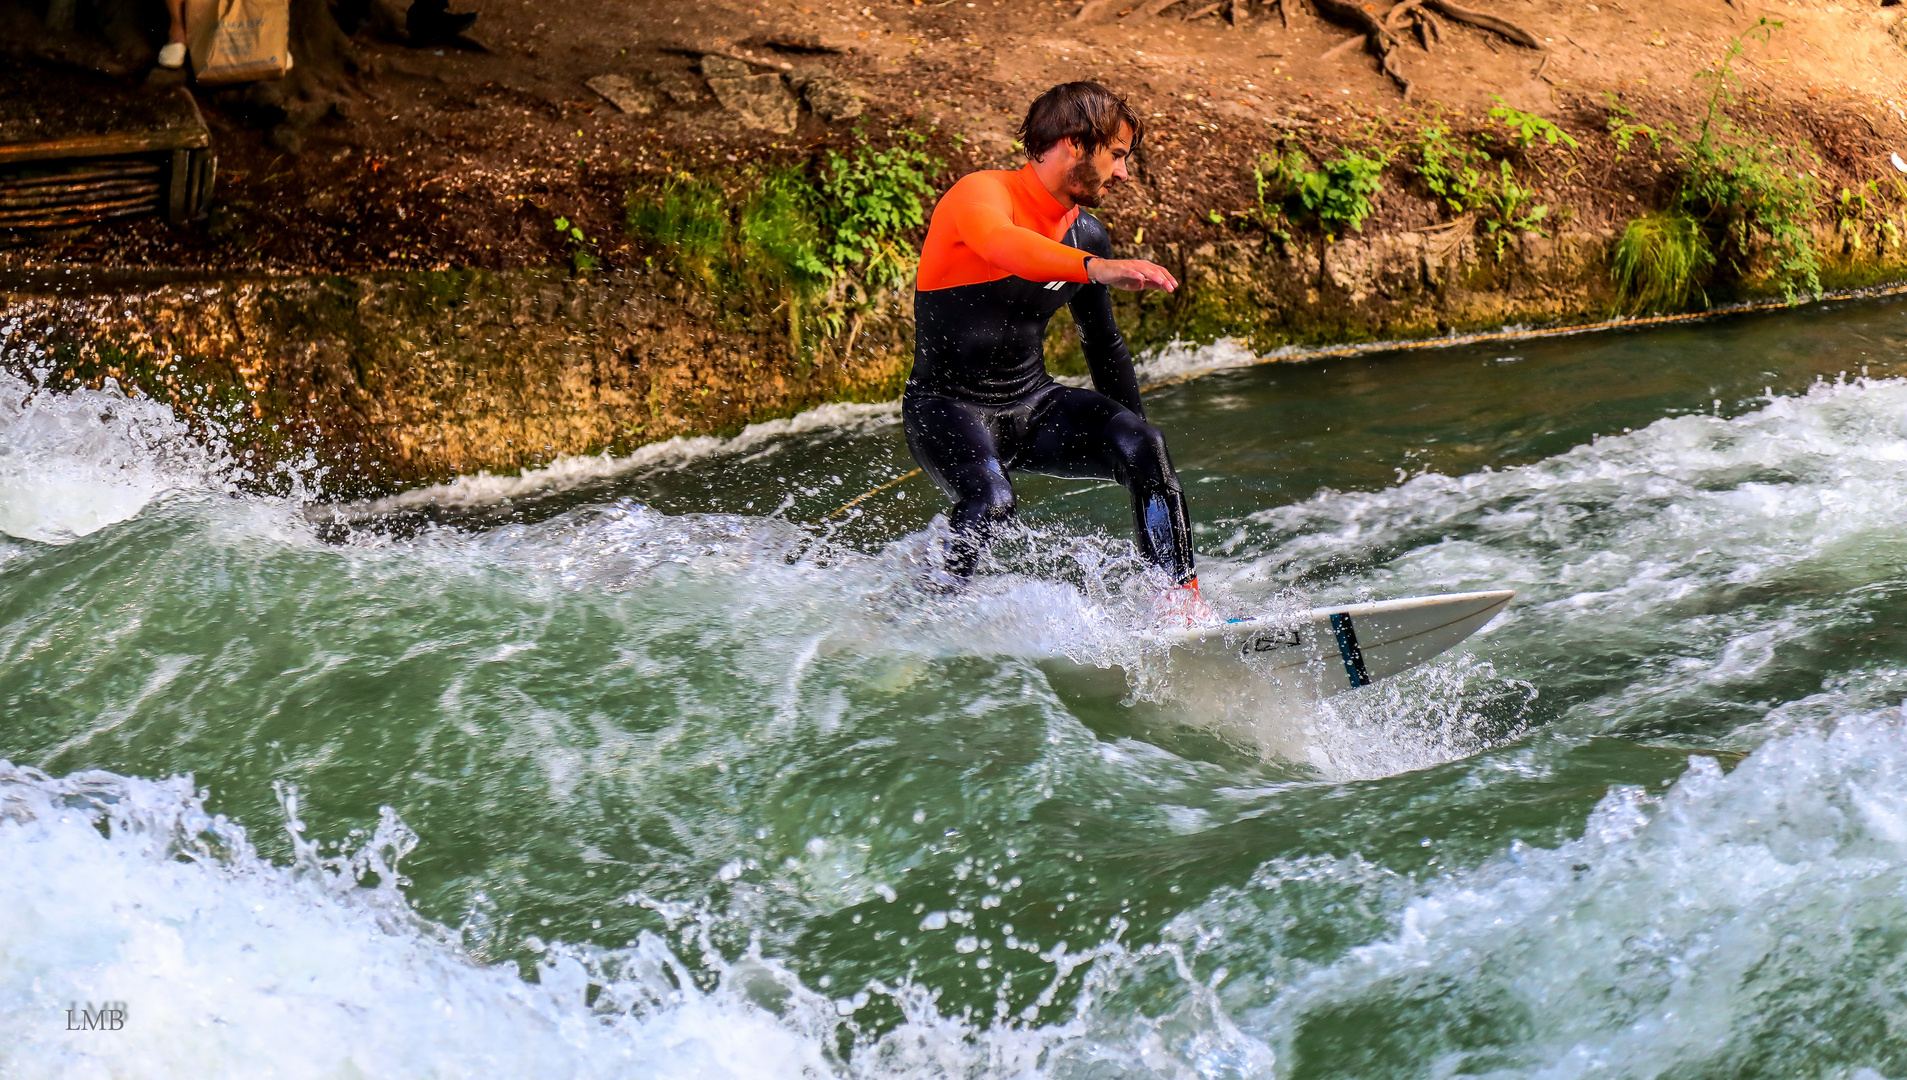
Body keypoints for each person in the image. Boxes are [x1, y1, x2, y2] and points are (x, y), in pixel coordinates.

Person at [906, 80, 1199, 606]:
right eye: (1117, 156)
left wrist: (1134, 444)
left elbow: (1103, 344)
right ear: (1074, 143)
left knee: (1145, 446)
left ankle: (1181, 606)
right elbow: (1006, 246)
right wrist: (1095, 269)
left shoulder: (1087, 234)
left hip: (1034, 406)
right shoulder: (980, 194)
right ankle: (925, 613)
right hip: (947, 409)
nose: (1124, 173)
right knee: (992, 500)